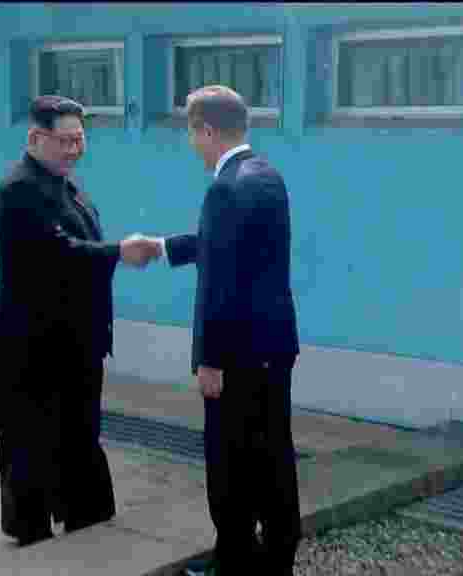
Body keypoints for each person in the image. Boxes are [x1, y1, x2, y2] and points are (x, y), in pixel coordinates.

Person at [137, 85, 302, 575]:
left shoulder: (225, 186)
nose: (192, 143)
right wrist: (163, 246)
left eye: (192, 133)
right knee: (273, 455)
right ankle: (276, 558)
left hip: (236, 354)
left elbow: (220, 281)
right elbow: (224, 248)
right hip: (273, 345)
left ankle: (232, 560)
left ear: (205, 130)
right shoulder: (266, 175)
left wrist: (209, 359)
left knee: (229, 461)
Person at [0, 95, 156, 546]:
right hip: (30, 342)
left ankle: (86, 518)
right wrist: (119, 251)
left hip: (75, 340)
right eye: (65, 141)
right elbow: (58, 254)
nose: (74, 150)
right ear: (35, 138)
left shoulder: (68, 185)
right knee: (29, 439)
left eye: (79, 140)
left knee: (79, 434)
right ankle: (31, 528)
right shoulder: (19, 188)